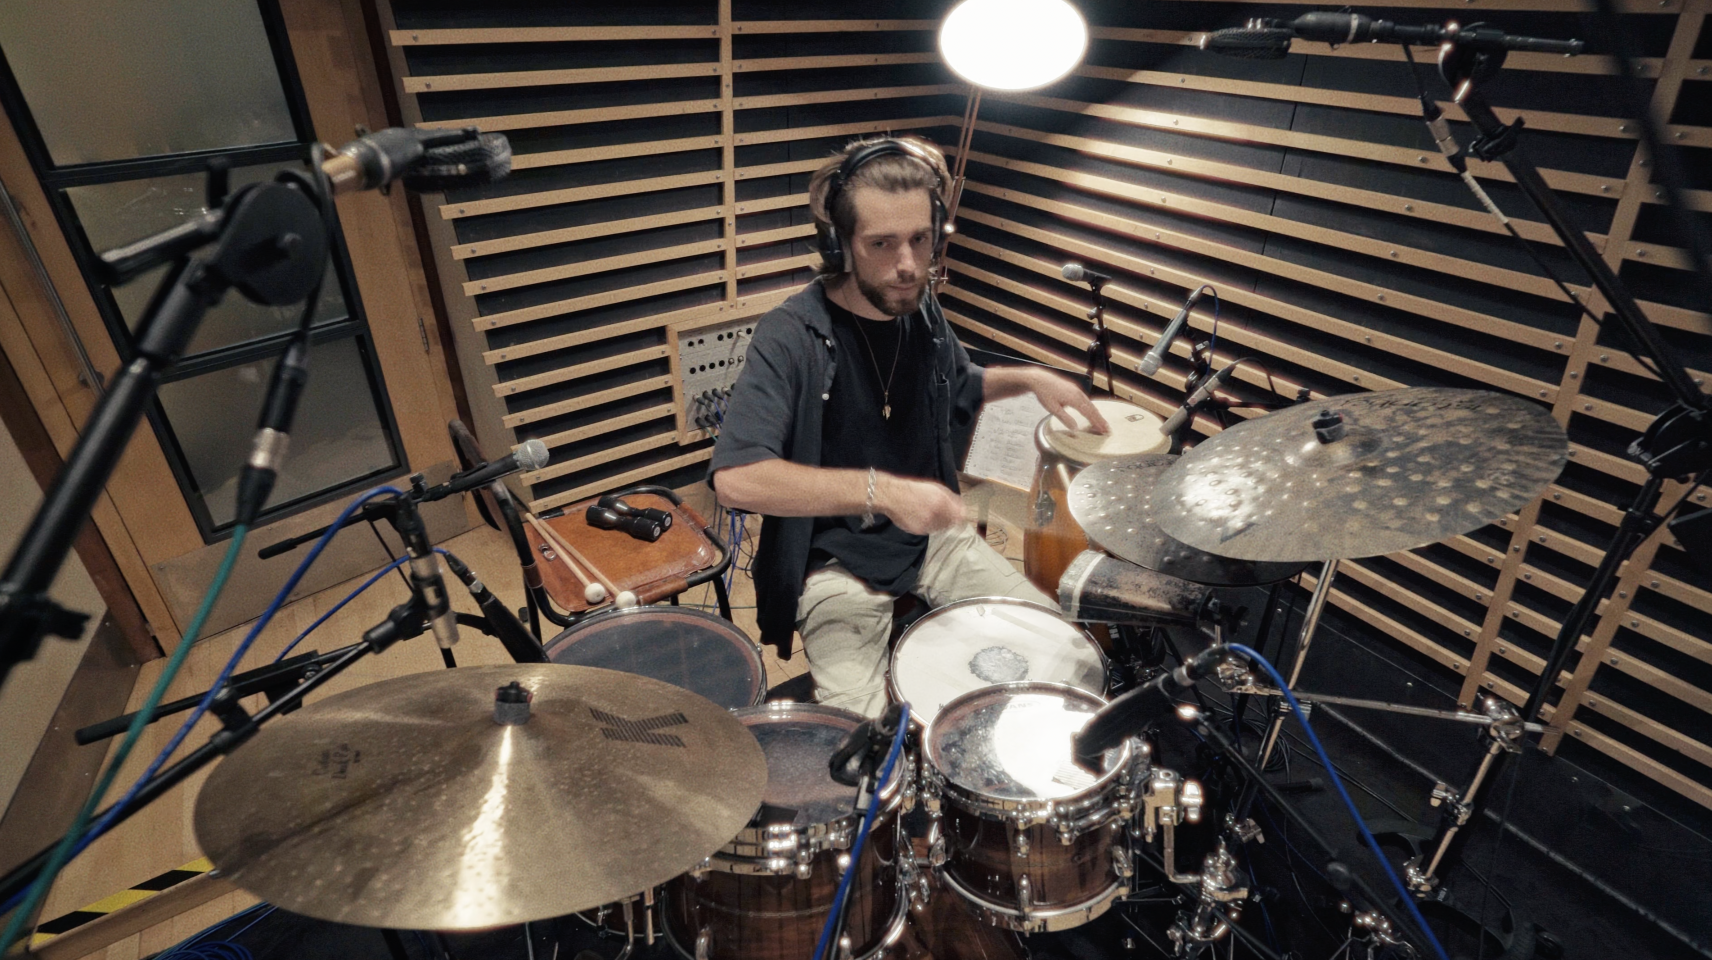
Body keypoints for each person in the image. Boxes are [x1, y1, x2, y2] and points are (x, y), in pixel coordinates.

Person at [709, 135, 1109, 717]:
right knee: (863, 742)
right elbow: (737, 479)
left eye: (921, 240)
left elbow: (959, 382)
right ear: (840, 244)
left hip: (931, 543)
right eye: (882, 244)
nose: (907, 265)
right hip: (836, 563)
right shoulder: (790, 336)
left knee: (1063, 648)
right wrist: (885, 491)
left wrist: (1027, 379)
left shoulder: (919, 309)